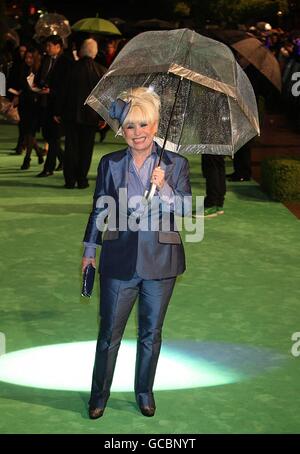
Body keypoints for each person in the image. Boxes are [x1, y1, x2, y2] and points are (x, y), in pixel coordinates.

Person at [82, 87, 191, 419]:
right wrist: (90, 250)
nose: (138, 133)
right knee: (108, 333)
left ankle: (144, 392)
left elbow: (187, 208)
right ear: (122, 130)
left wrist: (167, 187)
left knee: (151, 334)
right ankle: (99, 394)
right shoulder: (110, 164)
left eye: (144, 125)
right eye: (130, 126)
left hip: (162, 264)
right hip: (119, 261)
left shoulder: (175, 163)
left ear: (155, 125)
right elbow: (100, 208)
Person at [62, 38, 106, 188]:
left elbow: (64, 93)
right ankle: (82, 179)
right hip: (91, 116)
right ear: (94, 53)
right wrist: (103, 117)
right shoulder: (101, 71)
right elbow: (103, 97)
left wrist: (58, 111)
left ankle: (69, 180)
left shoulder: (71, 68)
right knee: (86, 149)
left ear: (81, 51)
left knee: (71, 147)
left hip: (71, 114)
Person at [35, 35, 73, 177]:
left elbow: (67, 86)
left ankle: (48, 168)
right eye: (47, 45)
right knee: (50, 136)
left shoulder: (66, 62)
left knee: (54, 137)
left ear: (58, 46)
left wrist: (52, 90)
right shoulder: (46, 59)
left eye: (50, 45)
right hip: (45, 103)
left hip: (58, 105)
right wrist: (38, 85)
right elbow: (41, 78)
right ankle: (62, 160)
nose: (47, 48)